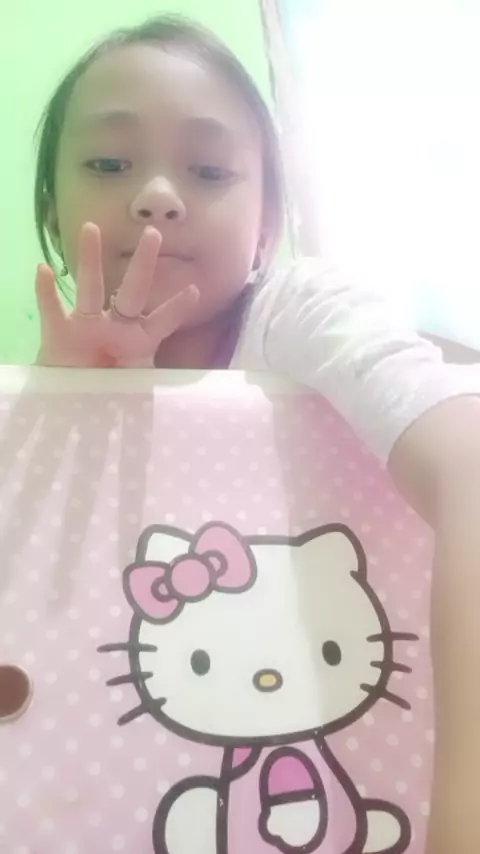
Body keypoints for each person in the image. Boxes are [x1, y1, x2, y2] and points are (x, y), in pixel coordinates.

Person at [32, 14, 480, 852]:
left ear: (269, 224)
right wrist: (68, 411)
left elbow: (472, 468)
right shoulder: (36, 397)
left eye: (209, 170)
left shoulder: (299, 313)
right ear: (52, 210)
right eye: (108, 163)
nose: (157, 194)